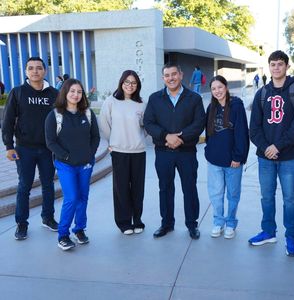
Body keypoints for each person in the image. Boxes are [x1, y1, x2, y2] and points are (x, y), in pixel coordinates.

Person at [248, 50, 294, 257]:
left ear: (287, 67)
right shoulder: (262, 93)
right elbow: (253, 128)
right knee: (266, 197)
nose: (276, 68)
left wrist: (278, 146)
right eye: (272, 64)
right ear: (269, 67)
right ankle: (268, 231)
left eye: (280, 64)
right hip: (265, 157)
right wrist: (266, 147)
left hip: (289, 156)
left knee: (290, 198)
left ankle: (290, 236)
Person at [144, 63, 205, 240]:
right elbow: (149, 122)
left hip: (186, 152)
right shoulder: (155, 98)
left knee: (189, 188)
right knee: (165, 188)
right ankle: (167, 224)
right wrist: (166, 137)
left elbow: (199, 123)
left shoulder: (194, 98)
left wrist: (181, 137)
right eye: (167, 75)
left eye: (173, 74)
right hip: (163, 152)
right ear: (163, 78)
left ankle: (192, 225)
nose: (170, 78)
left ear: (181, 74)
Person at [2, 57, 59, 240]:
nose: (35, 71)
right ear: (26, 71)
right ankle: (21, 223)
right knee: (24, 186)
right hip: (24, 149)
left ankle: (48, 218)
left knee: (48, 185)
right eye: (31, 68)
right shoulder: (18, 92)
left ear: (45, 71)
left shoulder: (54, 94)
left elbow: (62, 120)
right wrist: (9, 146)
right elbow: (8, 121)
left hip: (48, 149)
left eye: (39, 68)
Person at [45, 78, 100, 251]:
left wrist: (89, 155)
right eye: (72, 91)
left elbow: (95, 137)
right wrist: (66, 157)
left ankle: (79, 229)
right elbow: (51, 142)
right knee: (71, 198)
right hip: (65, 164)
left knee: (83, 197)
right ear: (65, 93)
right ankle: (63, 235)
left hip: (85, 164)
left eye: (79, 91)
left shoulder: (88, 114)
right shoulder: (55, 115)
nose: (76, 95)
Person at [99, 70, 147, 235]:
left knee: (138, 188)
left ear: (137, 85)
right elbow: (104, 124)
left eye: (133, 83)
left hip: (138, 151)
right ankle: (124, 222)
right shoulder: (111, 102)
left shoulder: (141, 103)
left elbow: (145, 127)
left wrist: (139, 138)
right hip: (119, 151)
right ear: (121, 83)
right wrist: (112, 142)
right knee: (121, 188)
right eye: (127, 82)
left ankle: (137, 219)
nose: (130, 85)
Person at [205, 75, 249, 239]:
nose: (217, 91)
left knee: (233, 194)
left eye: (220, 87)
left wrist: (238, 157)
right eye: (214, 88)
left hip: (233, 162)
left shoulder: (236, 106)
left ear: (226, 87)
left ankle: (230, 223)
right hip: (214, 160)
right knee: (216, 194)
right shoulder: (211, 108)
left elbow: (242, 133)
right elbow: (208, 134)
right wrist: (208, 151)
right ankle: (218, 222)